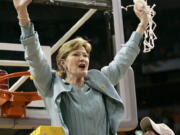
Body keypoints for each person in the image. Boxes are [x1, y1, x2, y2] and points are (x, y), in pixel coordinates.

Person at [12, 0, 149, 135]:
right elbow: (35, 57)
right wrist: (22, 13)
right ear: (62, 63)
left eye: (85, 55)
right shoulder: (51, 85)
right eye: (76, 54)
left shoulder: (99, 81)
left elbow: (122, 61)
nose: (83, 58)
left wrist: (142, 25)